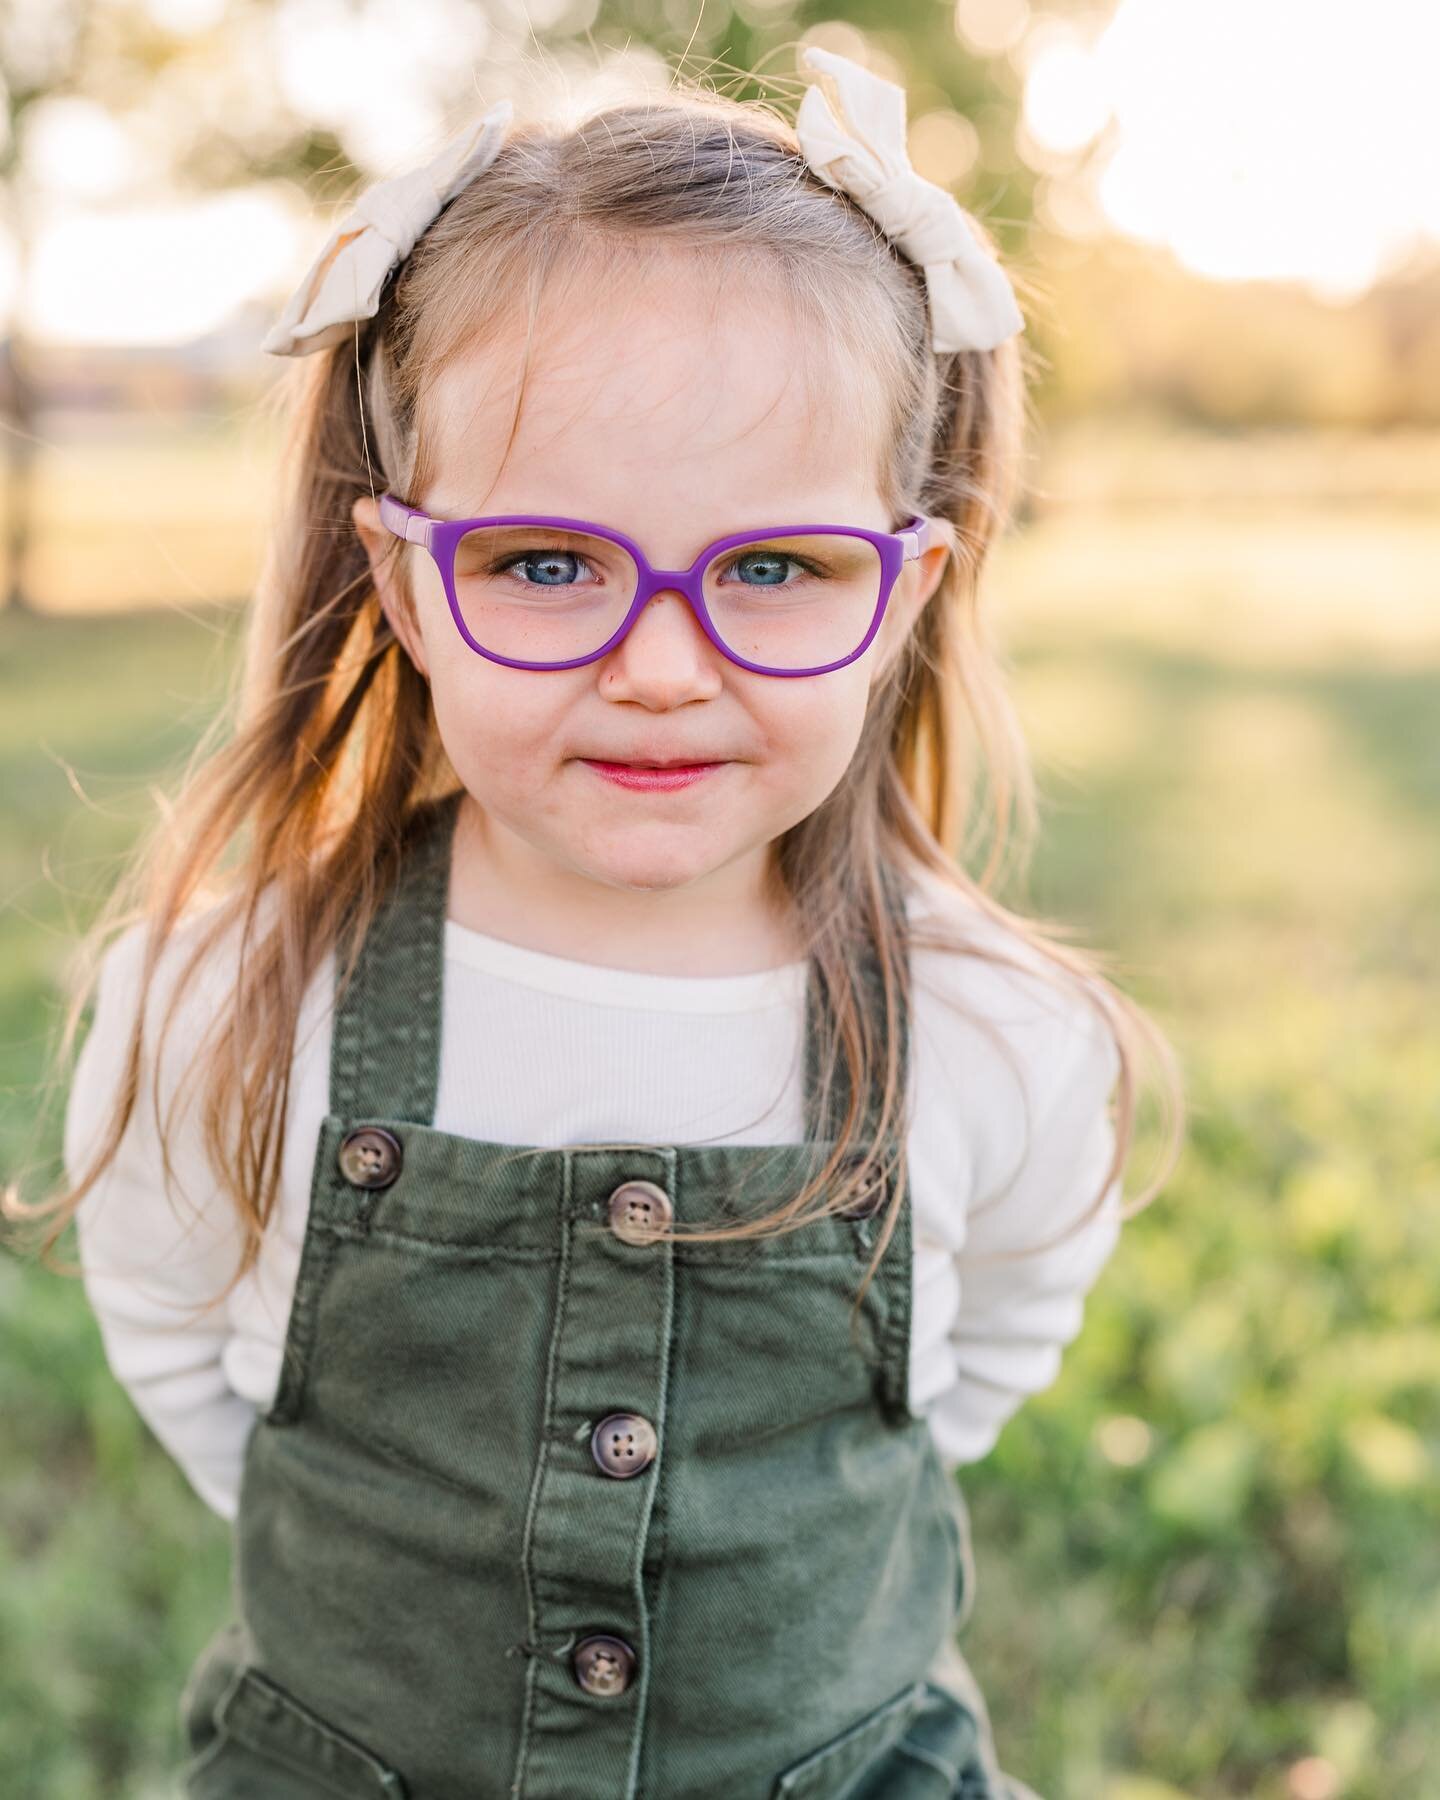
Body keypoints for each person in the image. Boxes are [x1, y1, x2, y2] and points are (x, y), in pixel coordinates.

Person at [29, 42, 1182, 1800]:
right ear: (409, 580)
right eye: (549, 563)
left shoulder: (986, 1028)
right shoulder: (232, 993)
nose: (659, 669)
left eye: (774, 569)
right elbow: (192, 1354)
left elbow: (980, 1359)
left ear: (903, 590)